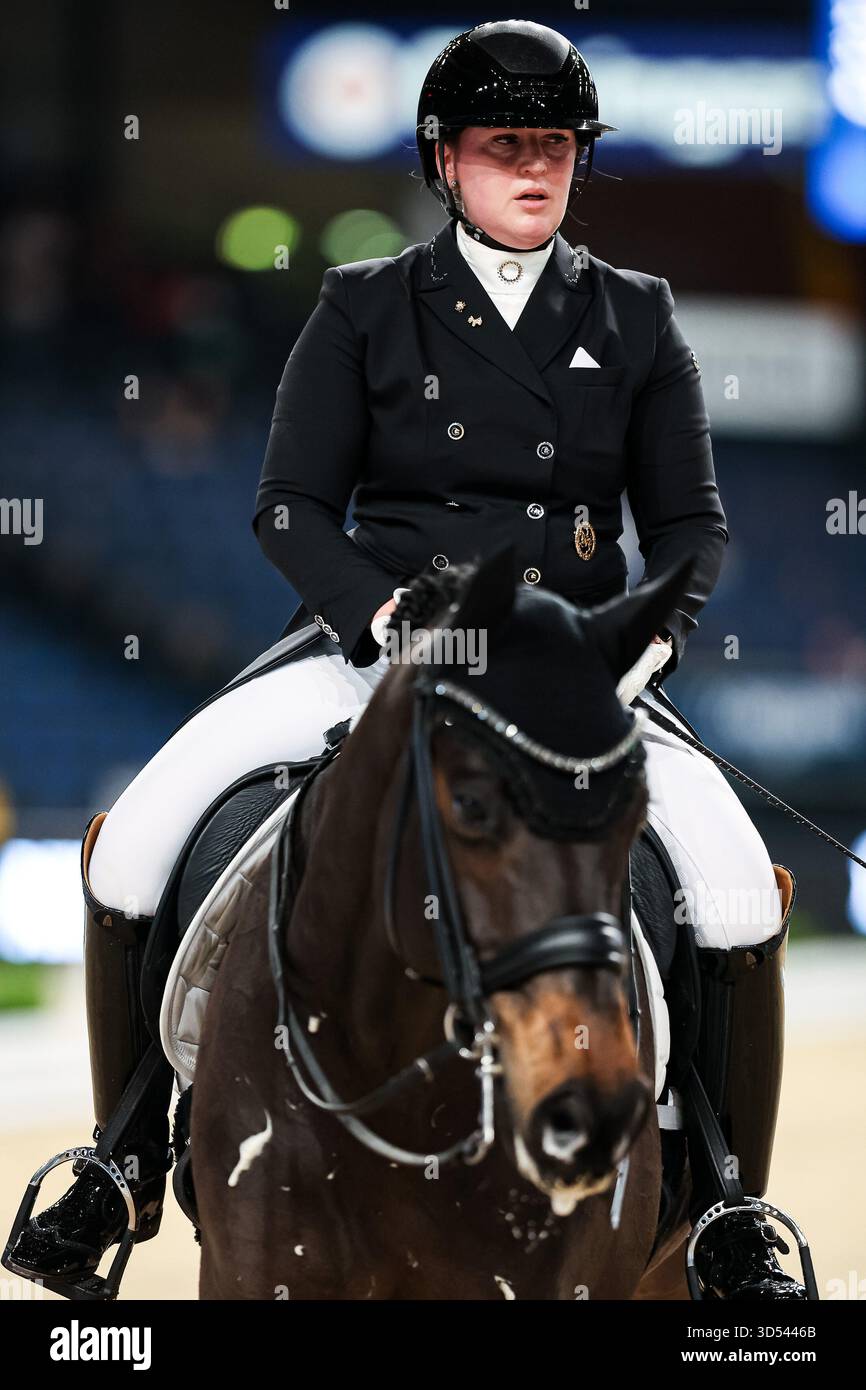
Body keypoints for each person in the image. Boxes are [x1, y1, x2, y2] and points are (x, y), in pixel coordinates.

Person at [5, 19, 806, 1300]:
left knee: (731, 891)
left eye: (553, 146)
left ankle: (722, 1208)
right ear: (445, 159)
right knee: (142, 839)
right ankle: (123, 1163)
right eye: (504, 146)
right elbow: (287, 508)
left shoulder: (638, 317)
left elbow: (692, 524)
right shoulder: (362, 305)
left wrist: (641, 641)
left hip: (565, 677)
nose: (533, 169)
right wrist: (384, 623)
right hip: (371, 648)